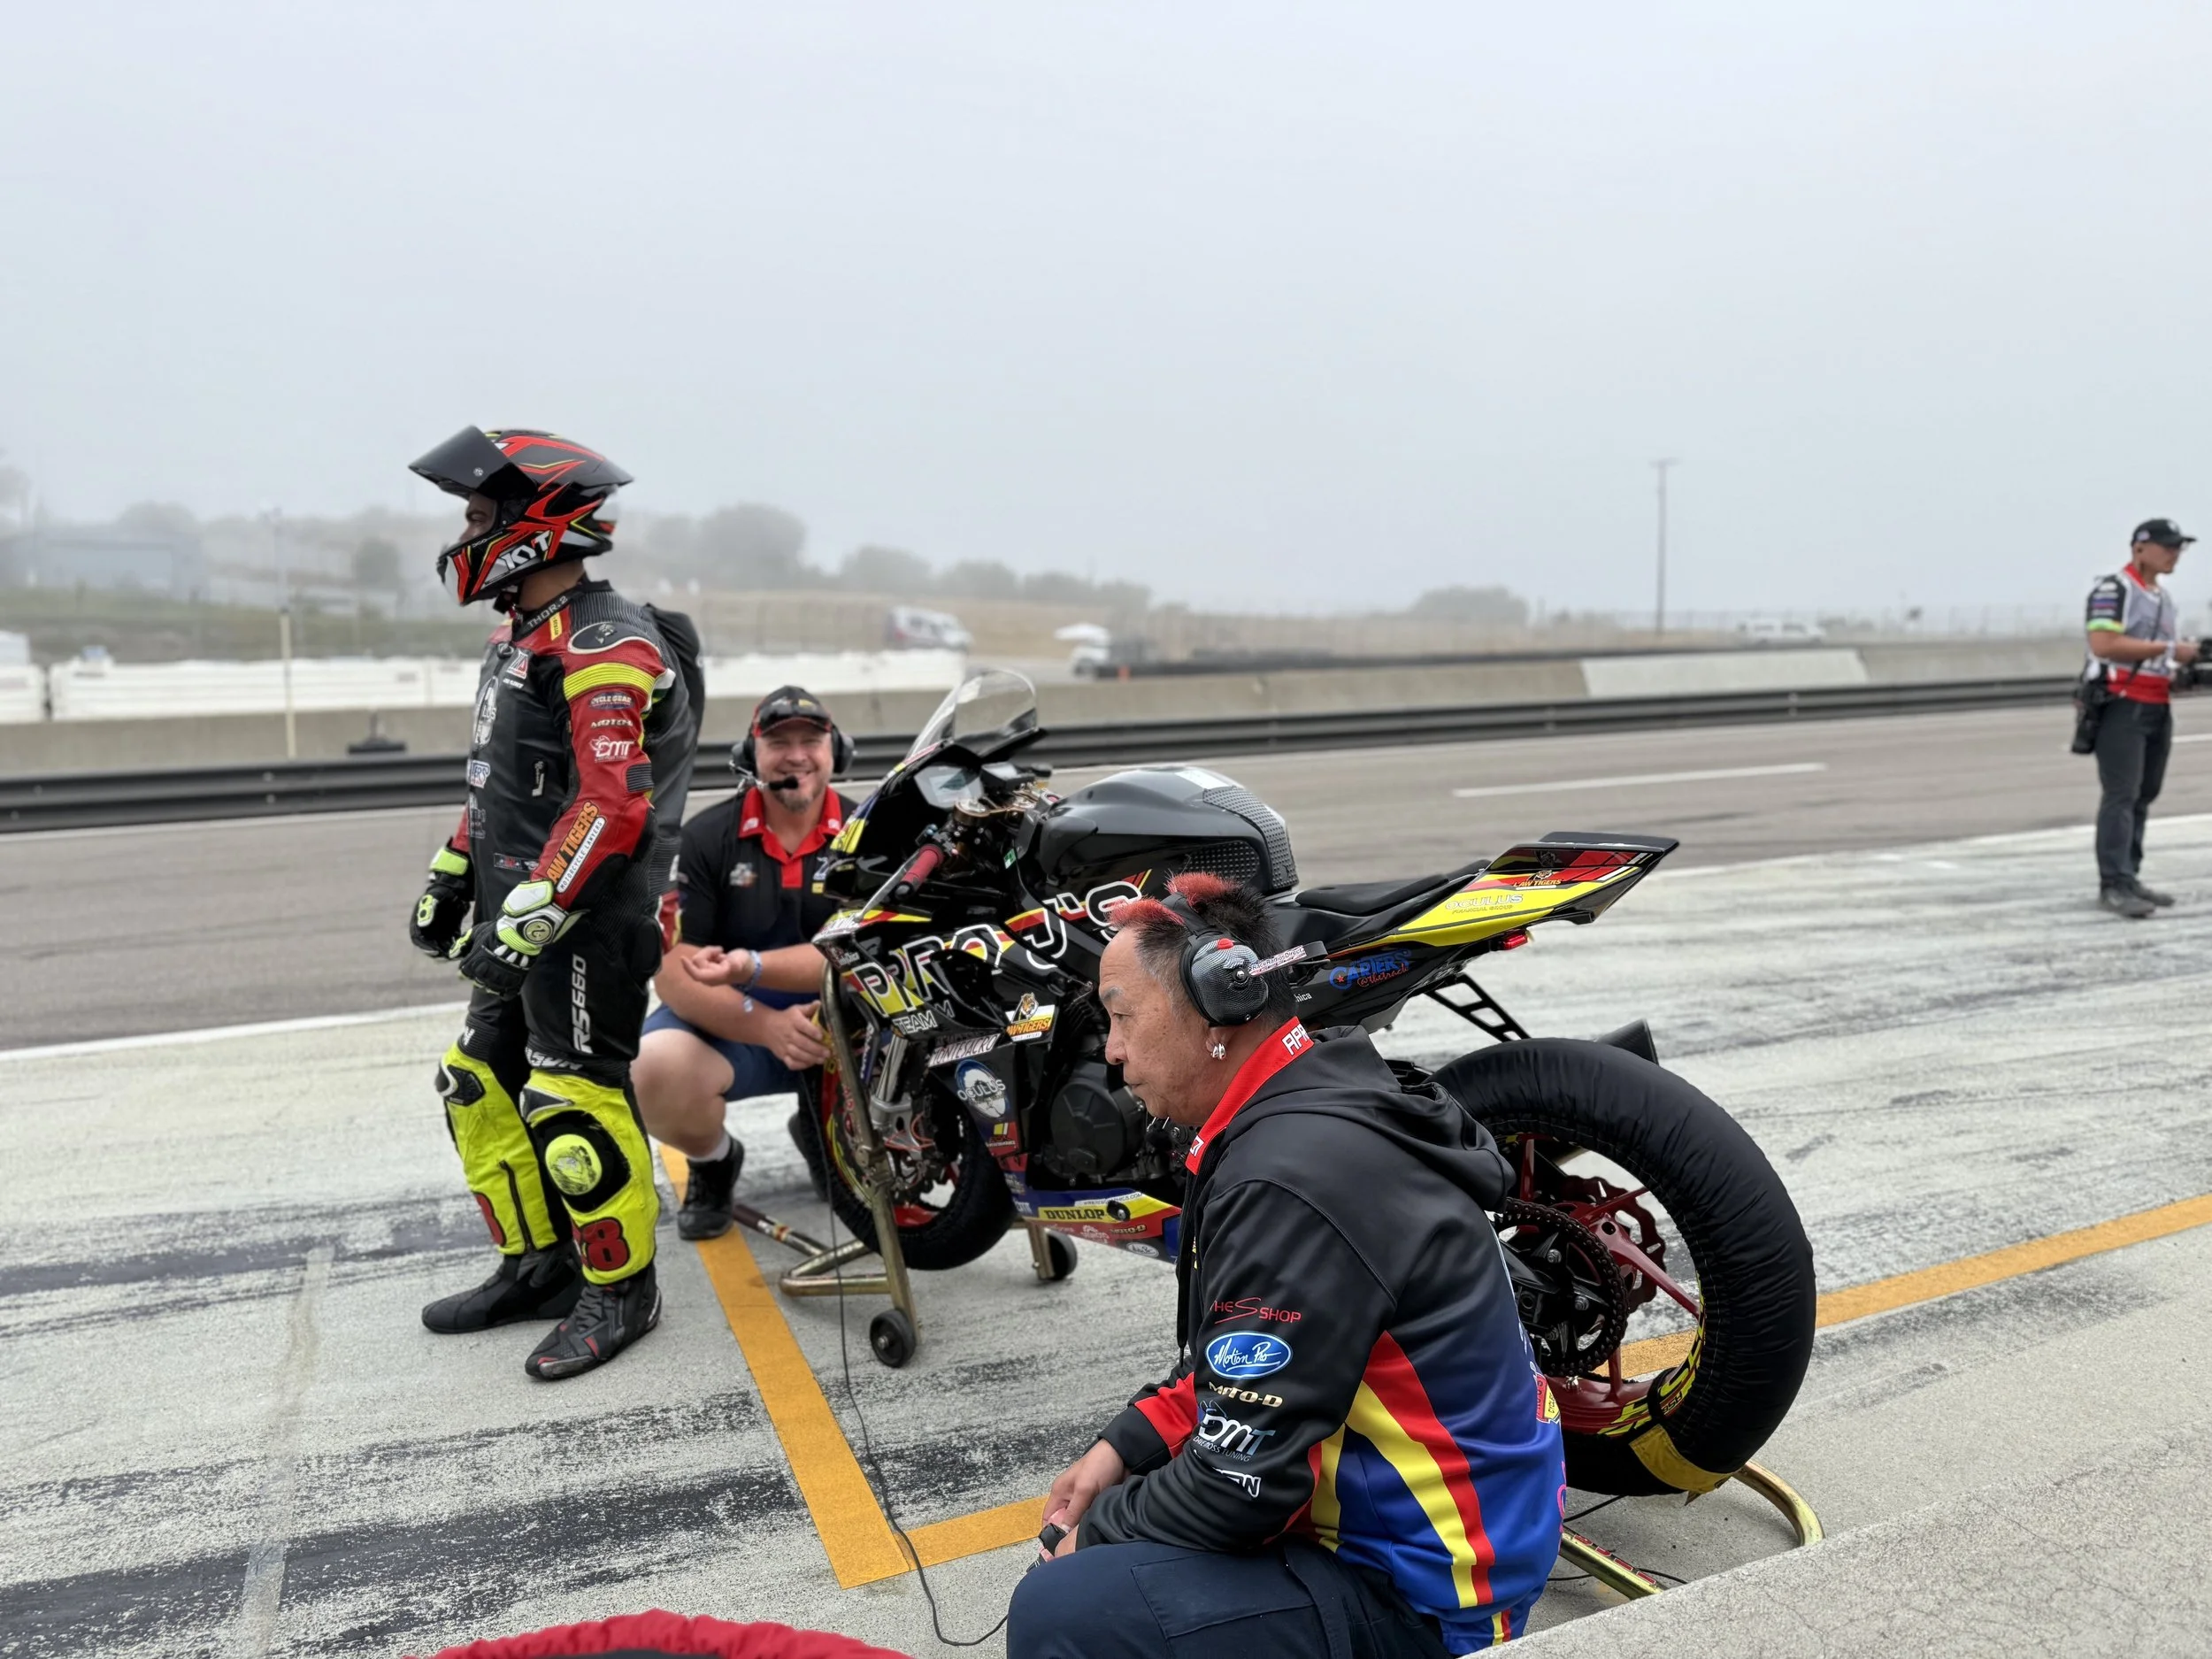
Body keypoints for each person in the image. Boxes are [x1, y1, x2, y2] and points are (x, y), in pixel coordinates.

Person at [1012, 873, 1564, 1659]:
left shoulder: (1286, 1179)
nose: (1112, 1049)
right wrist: (1126, 1443)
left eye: (1122, 1014)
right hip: (1458, 1531)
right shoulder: (1310, 1099)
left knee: (1063, 1610)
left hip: (1429, 1597)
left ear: (1217, 1005)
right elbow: (1246, 1365)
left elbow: (1242, 1486)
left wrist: (1096, 1534)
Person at [404, 426, 698, 1379]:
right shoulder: (520, 636)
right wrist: (456, 873)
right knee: (478, 1084)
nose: (463, 532)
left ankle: (621, 1289)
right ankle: (539, 1266)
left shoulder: (607, 639)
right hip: (518, 912)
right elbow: (505, 786)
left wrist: (531, 919)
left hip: (588, 921)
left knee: (570, 1096)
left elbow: (611, 807)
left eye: (478, 514)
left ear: (535, 525)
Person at [631, 687, 856, 1237]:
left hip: (844, 1025)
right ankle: (713, 1161)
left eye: (811, 740)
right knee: (651, 1069)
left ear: (836, 752)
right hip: (735, 1020)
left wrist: (754, 965)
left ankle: (831, 1131)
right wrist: (767, 1025)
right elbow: (673, 970)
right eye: (778, 742)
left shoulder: (866, 834)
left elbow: (862, 954)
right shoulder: (706, 838)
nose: (796, 755)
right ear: (749, 754)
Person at [2084, 518, 2198, 918]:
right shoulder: (2114, 589)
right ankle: (2112, 883)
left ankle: (2129, 875)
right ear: (2139, 548)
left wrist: (2186, 670)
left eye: (2179, 547)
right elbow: (2104, 643)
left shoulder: (2163, 599)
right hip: (2121, 704)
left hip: (2156, 704)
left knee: (2144, 794)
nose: (2174, 554)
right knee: (2121, 793)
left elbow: (2160, 657)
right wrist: (2170, 648)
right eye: (2167, 547)